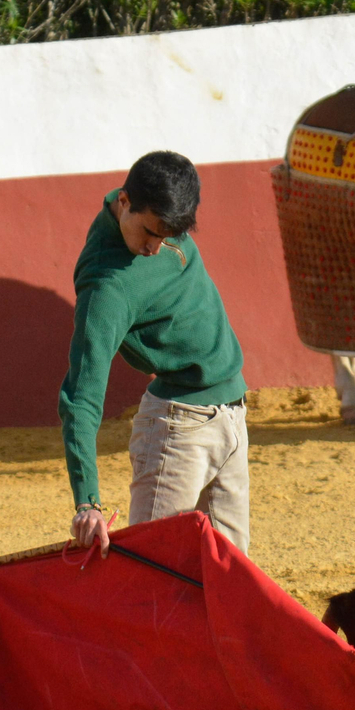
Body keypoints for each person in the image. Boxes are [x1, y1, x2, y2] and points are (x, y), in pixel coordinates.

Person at [59, 151, 250, 555]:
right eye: (150, 233)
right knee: (153, 573)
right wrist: (87, 502)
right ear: (124, 202)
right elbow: (81, 396)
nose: (155, 247)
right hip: (177, 432)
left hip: (233, 414)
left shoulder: (157, 200)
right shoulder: (107, 287)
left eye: (167, 237)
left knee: (230, 577)